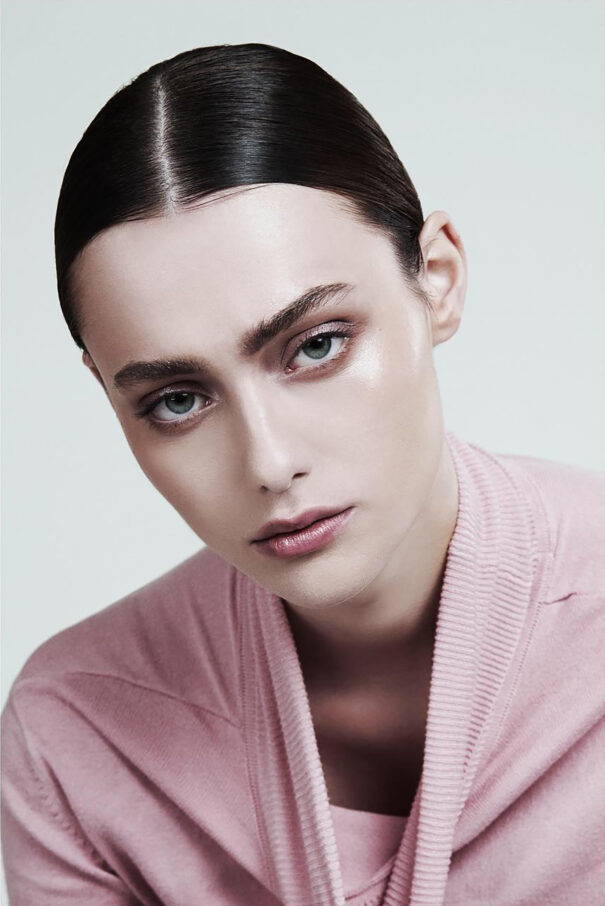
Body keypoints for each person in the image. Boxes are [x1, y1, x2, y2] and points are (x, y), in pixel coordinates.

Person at [1, 42, 603, 906]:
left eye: (315, 346)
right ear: (107, 394)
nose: (269, 462)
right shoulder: (81, 732)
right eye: (177, 400)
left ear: (435, 281)